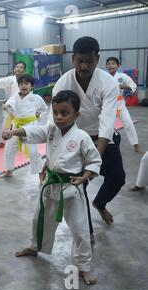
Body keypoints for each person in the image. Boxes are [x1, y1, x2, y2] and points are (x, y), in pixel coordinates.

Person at [5, 90, 102, 285]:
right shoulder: (51, 130)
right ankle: (35, 247)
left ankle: (83, 267)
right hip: (49, 185)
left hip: (71, 188)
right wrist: (14, 131)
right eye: (56, 112)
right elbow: (34, 132)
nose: (59, 117)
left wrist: (84, 177)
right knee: (40, 220)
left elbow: (94, 160)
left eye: (64, 113)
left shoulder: (82, 137)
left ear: (77, 115)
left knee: (80, 230)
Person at [51, 37, 123, 238]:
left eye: (89, 61)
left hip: (103, 138)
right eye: (79, 61)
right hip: (77, 138)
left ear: (97, 59)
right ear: (73, 58)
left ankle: (100, 203)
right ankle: (87, 232)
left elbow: (107, 122)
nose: (84, 66)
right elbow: (56, 121)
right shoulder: (63, 83)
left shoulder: (108, 83)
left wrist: (94, 162)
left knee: (118, 178)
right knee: (78, 185)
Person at [0, 74, 46, 178]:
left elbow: (44, 109)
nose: (23, 86)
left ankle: (40, 174)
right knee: (9, 148)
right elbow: (10, 104)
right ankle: (9, 170)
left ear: (32, 86)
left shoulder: (36, 98)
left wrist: (39, 115)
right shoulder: (15, 97)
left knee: (33, 152)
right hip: (16, 126)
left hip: (30, 127)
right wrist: (6, 106)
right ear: (18, 86)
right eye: (21, 84)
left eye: (26, 83)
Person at [105, 57, 144, 154]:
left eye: (113, 63)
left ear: (117, 66)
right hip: (108, 103)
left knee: (129, 123)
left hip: (120, 103)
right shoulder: (103, 76)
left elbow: (133, 86)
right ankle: (107, 144)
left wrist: (123, 86)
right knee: (107, 125)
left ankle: (136, 145)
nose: (111, 65)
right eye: (109, 63)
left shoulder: (122, 76)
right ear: (106, 66)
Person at [0, 61, 27, 148]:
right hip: (10, 105)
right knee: (5, 123)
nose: (18, 68)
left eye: (21, 67)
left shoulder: (26, 80)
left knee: (20, 125)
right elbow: (4, 81)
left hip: (21, 105)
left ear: (24, 70)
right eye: (17, 66)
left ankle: (22, 142)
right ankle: (3, 141)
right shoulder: (11, 79)